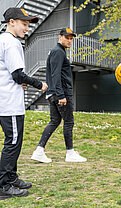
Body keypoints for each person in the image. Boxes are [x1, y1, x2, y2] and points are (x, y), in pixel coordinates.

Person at [0, 7, 48, 200]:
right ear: (11, 22)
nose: (27, 28)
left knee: (14, 142)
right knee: (12, 143)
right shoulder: (11, 43)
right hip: (9, 103)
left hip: (7, 99)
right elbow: (17, 74)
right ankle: (4, 185)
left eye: (28, 25)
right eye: (24, 24)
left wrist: (18, 83)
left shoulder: (3, 40)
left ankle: (11, 178)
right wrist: (39, 84)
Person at [31, 28, 87, 163]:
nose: (69, 40)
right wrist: (61, 95)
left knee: (55, 121)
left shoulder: (58, 51)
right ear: (60, 37)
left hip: (54, 93)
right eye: (67, 37)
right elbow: (55, 75)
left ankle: (39, 151)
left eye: (71, 38)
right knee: (69, 121)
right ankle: (70, 153)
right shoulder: (58, 52)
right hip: (60, 94)